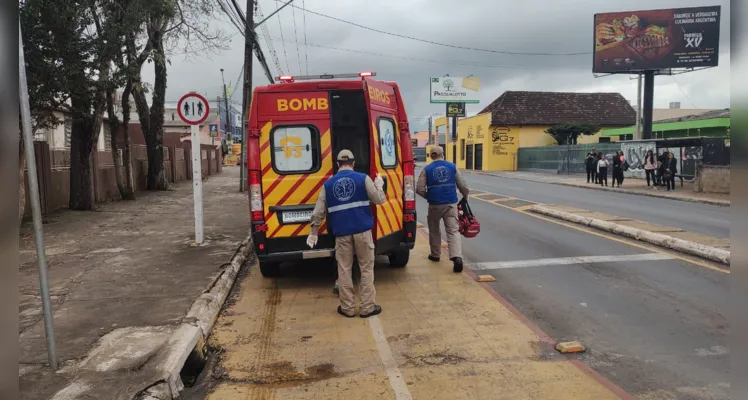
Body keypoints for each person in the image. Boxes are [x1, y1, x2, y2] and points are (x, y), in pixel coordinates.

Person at [307, 150, 386, 318]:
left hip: (342, 234)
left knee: (344, 269)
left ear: (337, 164)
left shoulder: (328, 185)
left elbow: (318, 212)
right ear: (354, 163)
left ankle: (348, 308)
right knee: (366, 268)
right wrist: (379, 184)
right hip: (363, 232)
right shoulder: (363, 179)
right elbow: (379, 199)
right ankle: (367, 308)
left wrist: (313, 232)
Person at [416, 146, 469, 273]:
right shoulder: (452, 167)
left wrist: (429, 196)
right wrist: (465, 195)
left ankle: (435, 255)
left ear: (430, 156)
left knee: (434, 230)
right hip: (451, 204)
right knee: (453, 231)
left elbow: (419, 189)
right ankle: (456, 257)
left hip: (434, 205)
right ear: (442, 154)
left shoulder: (426, 169)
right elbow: (462, 185)